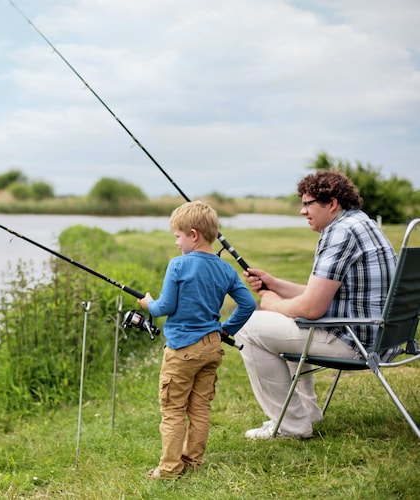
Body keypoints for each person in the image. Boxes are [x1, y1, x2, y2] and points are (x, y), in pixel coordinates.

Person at [238, 170, 397, 439]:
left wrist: (274, 303)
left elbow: (312, 308)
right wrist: (275, 284)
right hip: (380, 336)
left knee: (248, 326)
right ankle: (307, 413)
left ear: (331, 203)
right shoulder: (361, 223)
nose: (303, 211)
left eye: (308, 203)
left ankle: (291, 425)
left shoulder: (340, 232)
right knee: (286, 318)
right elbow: (322, 294)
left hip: (357, 343)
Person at [138, 200, 256, 479]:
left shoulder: (178, 265)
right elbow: (248, 304)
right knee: (200, 407)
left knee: (173, 409)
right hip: (212, 347)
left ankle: (168, 468)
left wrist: (147, 303)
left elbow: (163, 307)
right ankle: (192, 461)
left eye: (178, 237)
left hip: (182, 350)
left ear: (193, 234)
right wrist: (225, 330)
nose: (177, 243)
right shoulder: (225, 269)